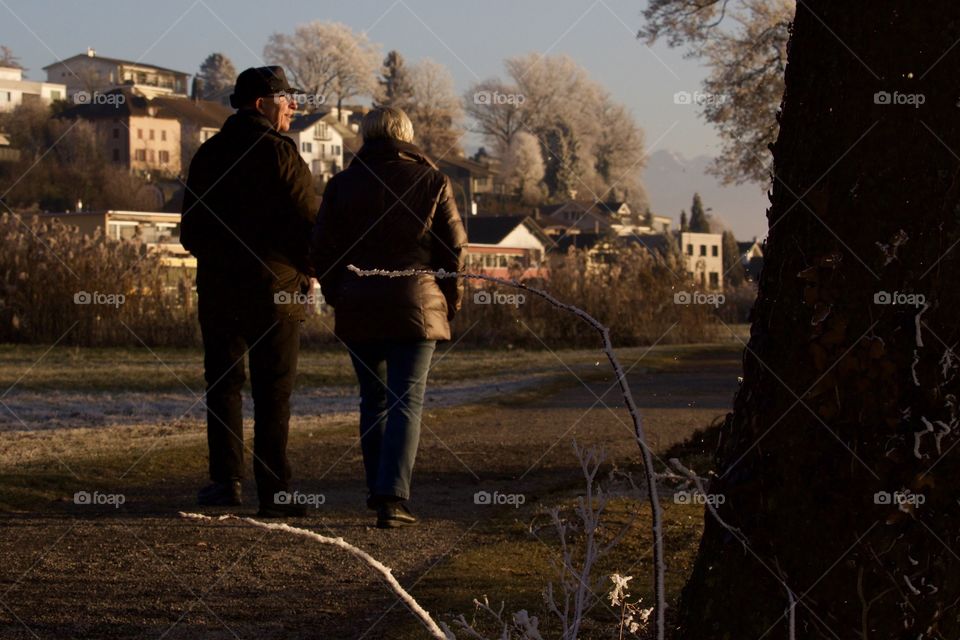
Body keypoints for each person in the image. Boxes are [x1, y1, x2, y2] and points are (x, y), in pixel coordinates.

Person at [310, 106, 467, 528]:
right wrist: (448, 303)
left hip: (360, 303)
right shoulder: (434, 180)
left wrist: (339, 293)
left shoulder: (342, 184)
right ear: (406, 136)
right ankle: (393, 498)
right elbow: (453, 251)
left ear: (367, 136)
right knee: (406, 402)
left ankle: (378, 491)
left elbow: (322, 249)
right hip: (416, 303)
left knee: (373, 400)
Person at [180, 66, 317, 518]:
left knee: (223, 384)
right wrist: (308, 270)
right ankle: (275, 490)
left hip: (219, 288)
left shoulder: (208, 155)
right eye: (286, 99)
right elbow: (309, 223)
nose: (293, 106)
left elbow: (190, 233)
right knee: (274, 389)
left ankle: (225, 482)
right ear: (262, 104)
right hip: (278, 290)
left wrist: (223, 259)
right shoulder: (281, 154)